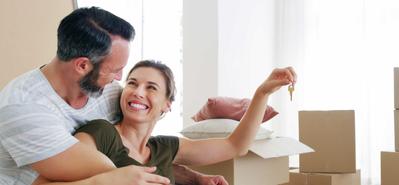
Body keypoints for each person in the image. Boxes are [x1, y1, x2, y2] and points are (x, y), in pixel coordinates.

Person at [0, 7, 226, 185]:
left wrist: (192, 178)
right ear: (82, 65)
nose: (120, 78)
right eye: (116, 69)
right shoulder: (22, 109)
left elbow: (132, 157)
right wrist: (107, 180)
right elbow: (111, 174)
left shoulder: (106, 91)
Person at [50, 60, 296, 184]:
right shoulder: (100, 134)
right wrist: (107, 181)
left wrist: (263, 93)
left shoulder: (165, 148)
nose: (137, 92)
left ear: (167, 104)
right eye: (133, 83)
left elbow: (235, 146)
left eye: (151, 87)